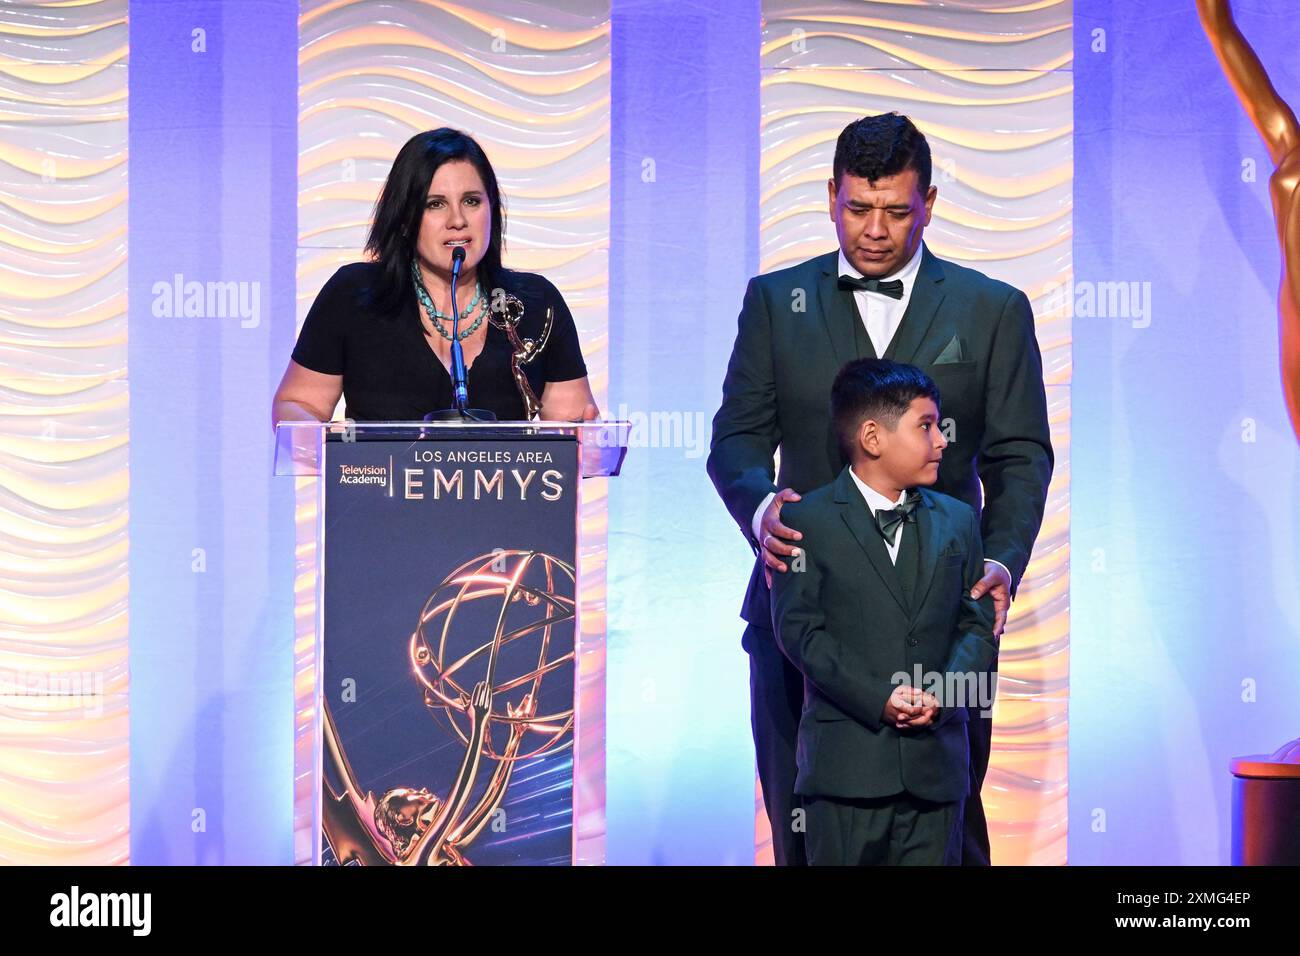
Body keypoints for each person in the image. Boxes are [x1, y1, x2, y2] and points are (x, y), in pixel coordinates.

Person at [707, 112, 1053, 865]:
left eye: (896, 211)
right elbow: (733, 440)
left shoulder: (991, 309)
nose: (874, 229)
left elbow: (1021, 455)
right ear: (830, 195)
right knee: (804, 836)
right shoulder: (775, 301)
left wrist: (1000, 563)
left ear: (929, 202)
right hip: (801, 621)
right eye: (857, 208)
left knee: (947, 835)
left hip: (943, 624)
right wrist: (763, 508)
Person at [770, 359, 997, 865]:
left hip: (935, 773)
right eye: (926, 426)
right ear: (872, 437)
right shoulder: (807, 520)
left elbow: (978, 626)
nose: (942, 440)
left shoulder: (959, 520)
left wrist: (941, 695)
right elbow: (800, 632)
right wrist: (881, 697)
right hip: (846, 772)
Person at [272, 128, 600, 425]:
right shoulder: (355, 295)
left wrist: (589, 442)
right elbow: (296, 405)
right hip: (383, 491)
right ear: (403, 218)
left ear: (492, 209)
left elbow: (571, 428)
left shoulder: (535, 303)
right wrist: (326, 442)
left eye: (471, 201)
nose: (457, 220)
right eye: (435, 204)